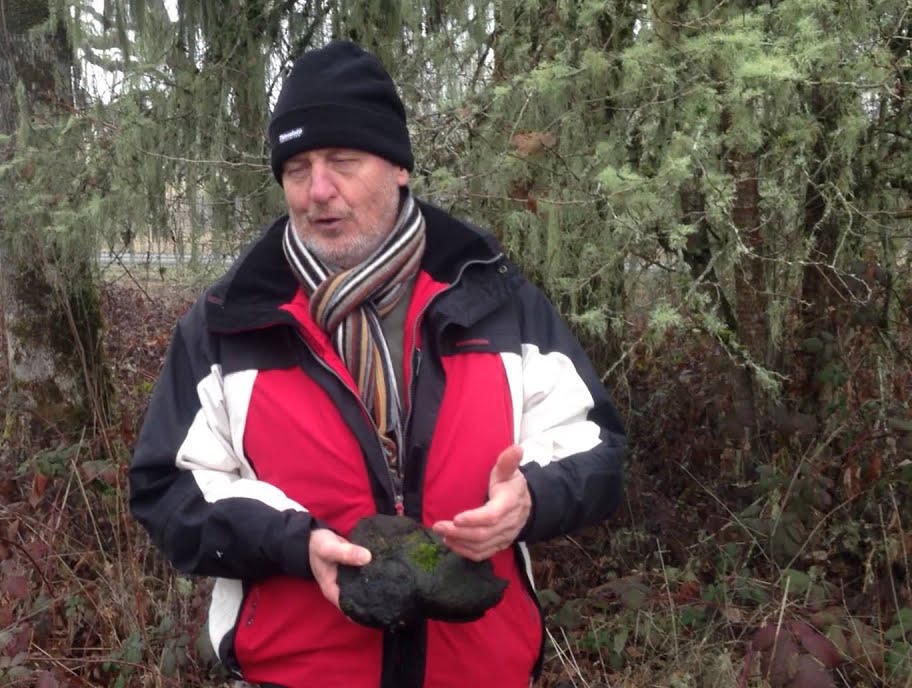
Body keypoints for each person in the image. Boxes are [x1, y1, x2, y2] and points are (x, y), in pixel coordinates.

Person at [128, 40, 626, 688]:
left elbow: (599, 449)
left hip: (479, 671)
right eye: (298, 166)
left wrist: (530, 496)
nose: (318, 190)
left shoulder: (496, 304)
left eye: (343, 159)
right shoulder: (228, 326)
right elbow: (167, 490)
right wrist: (291, 541)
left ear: (397, 167)